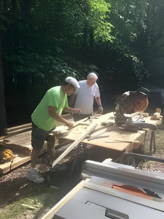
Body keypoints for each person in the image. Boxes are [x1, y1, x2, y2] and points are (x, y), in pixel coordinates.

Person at [28, 77, 81, 183]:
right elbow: (52, 112)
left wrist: (74, 110)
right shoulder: (54, 92)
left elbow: (63, 107)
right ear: (70, 86)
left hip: (50, 124)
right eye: (73, 91)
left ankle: (53, 164)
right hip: (40, 123)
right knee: (37, 147)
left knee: (52, 142)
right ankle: (31, 171)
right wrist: (66, 122)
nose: (72, 93)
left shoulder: (64, 94)